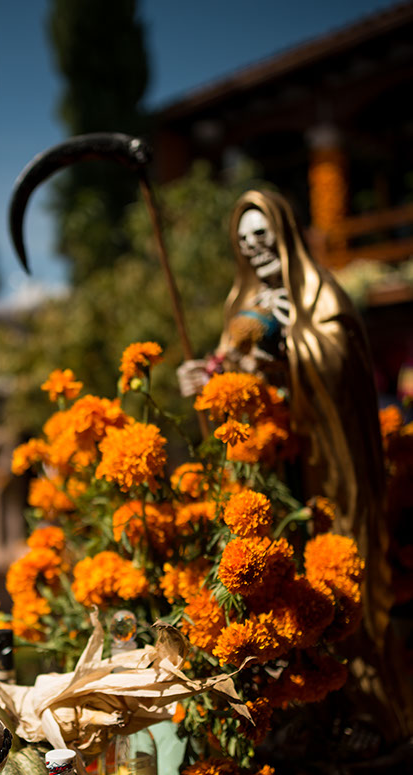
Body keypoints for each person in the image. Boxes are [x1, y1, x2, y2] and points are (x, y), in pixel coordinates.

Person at [179, 189, 412, 741]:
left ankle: (362, 716)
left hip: (326, 469)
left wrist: (286, 352)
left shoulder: (322, 297)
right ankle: (295, 722)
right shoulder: (243, 305)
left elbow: (337, 366)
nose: (254, 248)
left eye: (262, 235)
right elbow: (229, 383)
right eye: (243, 241)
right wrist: (206, 384)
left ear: (284, 233)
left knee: (340, 587)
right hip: (269, 475)